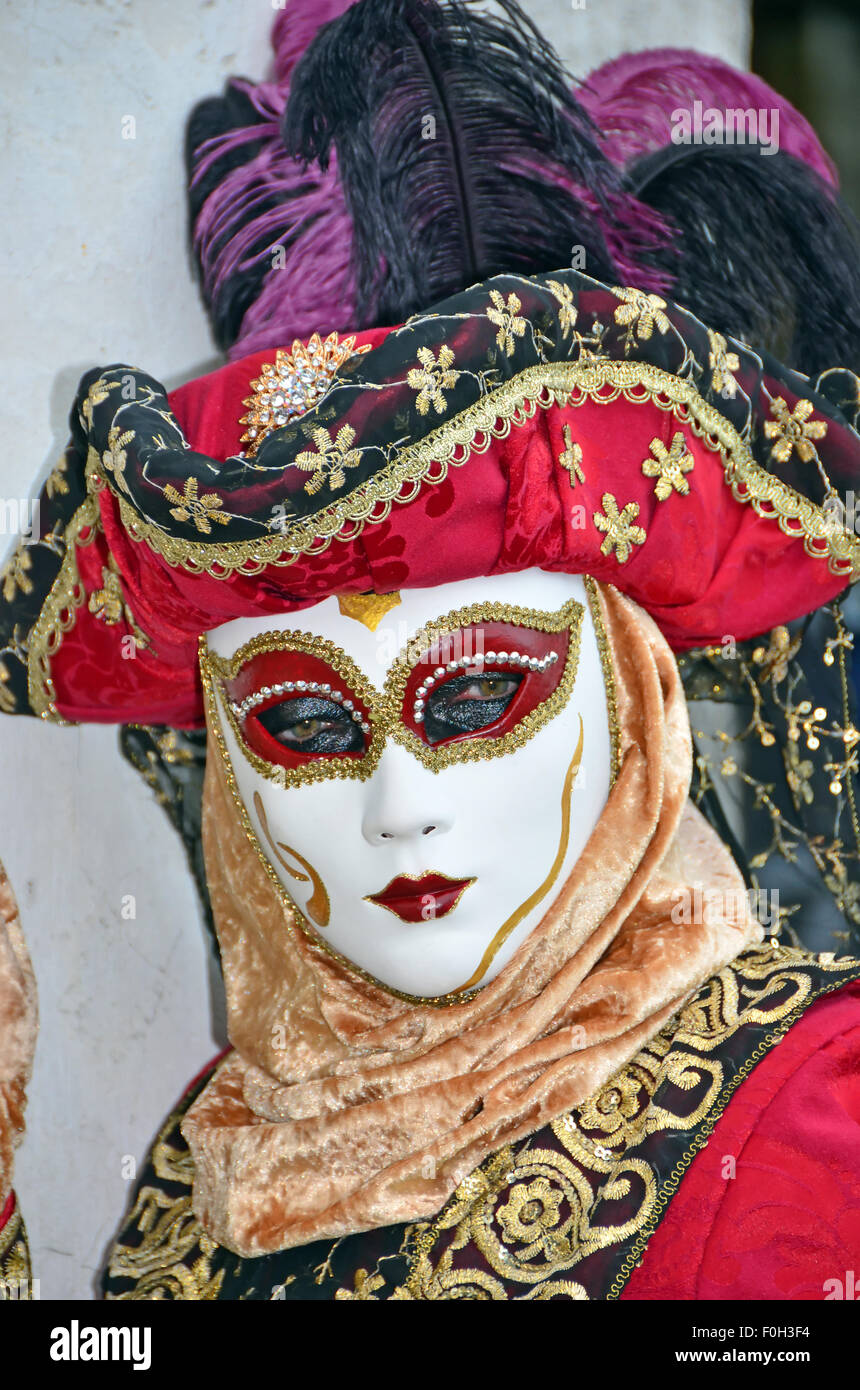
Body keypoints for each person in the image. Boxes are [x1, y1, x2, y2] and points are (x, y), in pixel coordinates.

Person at [1, 0, 859, 1301]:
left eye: (479, 693)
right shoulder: (227, 1150)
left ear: (633, 695)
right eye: (306, 720)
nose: (400, 810)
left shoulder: (809, 1126)